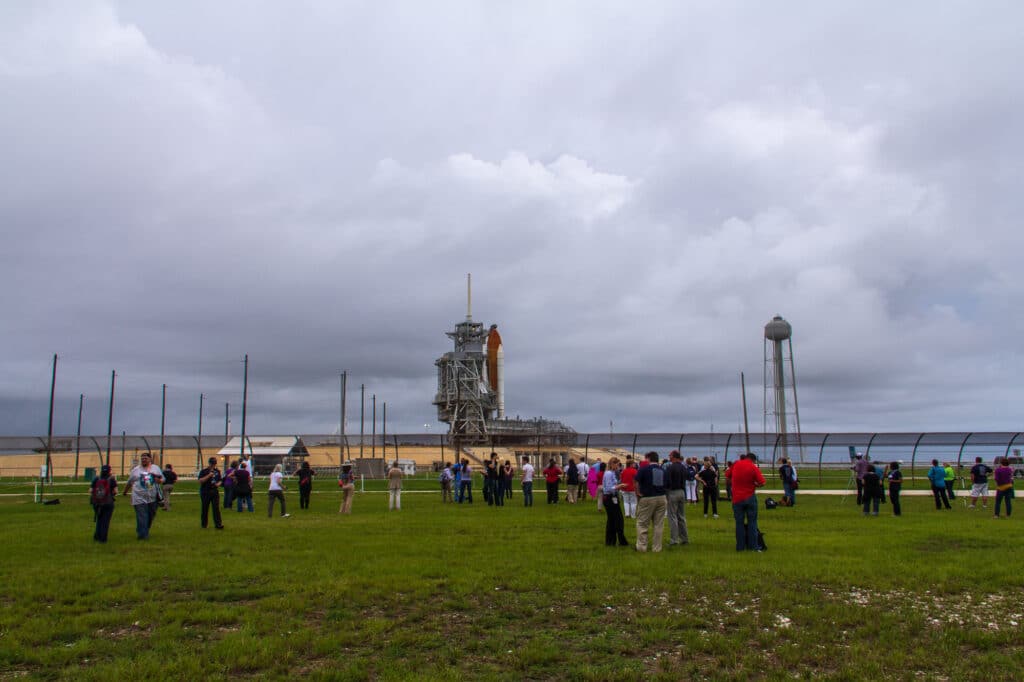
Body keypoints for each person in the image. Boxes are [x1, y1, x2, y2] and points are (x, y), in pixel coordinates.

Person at [727, 452, 766, 552]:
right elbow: (762, 482)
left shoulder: (736, 464)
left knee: (739, 523)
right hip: (749, 497)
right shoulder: (753, 467)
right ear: (753, 460)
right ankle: (753, 547)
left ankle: (740, 547)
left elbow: (727, 475)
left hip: (737, 499)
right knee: (752, 522)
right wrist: (754, 484)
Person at [122, 452, 163, 540]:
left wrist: (158, 480)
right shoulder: (136, 470)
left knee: (150, 516)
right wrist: (125, 492)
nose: (144, 460)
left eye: (145, 458)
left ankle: (143, 529)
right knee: (142, 516)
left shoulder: (155, 469)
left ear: (150, 459)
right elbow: (129, 482)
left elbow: (162, 479)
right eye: (142, 459)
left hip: (152, 497)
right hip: (138, 497)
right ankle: (143, 536)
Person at [634, 452, 667, 552]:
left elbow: (636, 481)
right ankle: (657, 548)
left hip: (648, 497)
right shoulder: (663, 470)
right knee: (658, 524)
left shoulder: (644, 469)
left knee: (642, 523)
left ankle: (641, 547)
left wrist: (638, 493)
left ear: (648, 459)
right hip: (662, 497)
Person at [602, 458, 629, 546]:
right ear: (613, 464)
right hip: (610, 498)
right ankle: (621, 540)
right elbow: (609, 488)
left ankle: (611, 541)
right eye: (617, 464)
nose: (618, 466)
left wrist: (619, 484)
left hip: (610, 497)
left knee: (612, 520)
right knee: (618, 520)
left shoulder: (610, 473)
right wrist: (620, 486)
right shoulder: (609, 474)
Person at [664, 450, 688, 547]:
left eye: (670, 455)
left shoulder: (670, 468)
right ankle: (684, 538)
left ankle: (674, 540)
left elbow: (667, 481)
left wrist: (666, 492)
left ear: (674, 457)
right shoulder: (683, 467)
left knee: (672, 516)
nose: (669, 457)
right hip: (682, 492)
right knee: (681, 516)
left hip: (673, 492)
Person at [90, 464, 117, 543]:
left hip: (97, 503)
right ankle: (103, 538)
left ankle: (97, 536)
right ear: (109, 471)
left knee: (99, 519)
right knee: (105, 521)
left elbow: (90, 490)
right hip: (108, 503)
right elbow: (115, 491)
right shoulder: (111, 479)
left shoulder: (96, 478)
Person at [198, 456, 225, 530]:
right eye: (212, 464)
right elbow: (200, 481)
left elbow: (220, 480)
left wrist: (218, 484)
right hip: (205, 491)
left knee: (216, 508)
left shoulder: (217, 471)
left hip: (214, 491)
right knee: (205, 508)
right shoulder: (204, 471)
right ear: (209, 463)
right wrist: (209, 476)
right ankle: (204, 524)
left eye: (214, 464)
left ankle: (218, 524)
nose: (213, 465)